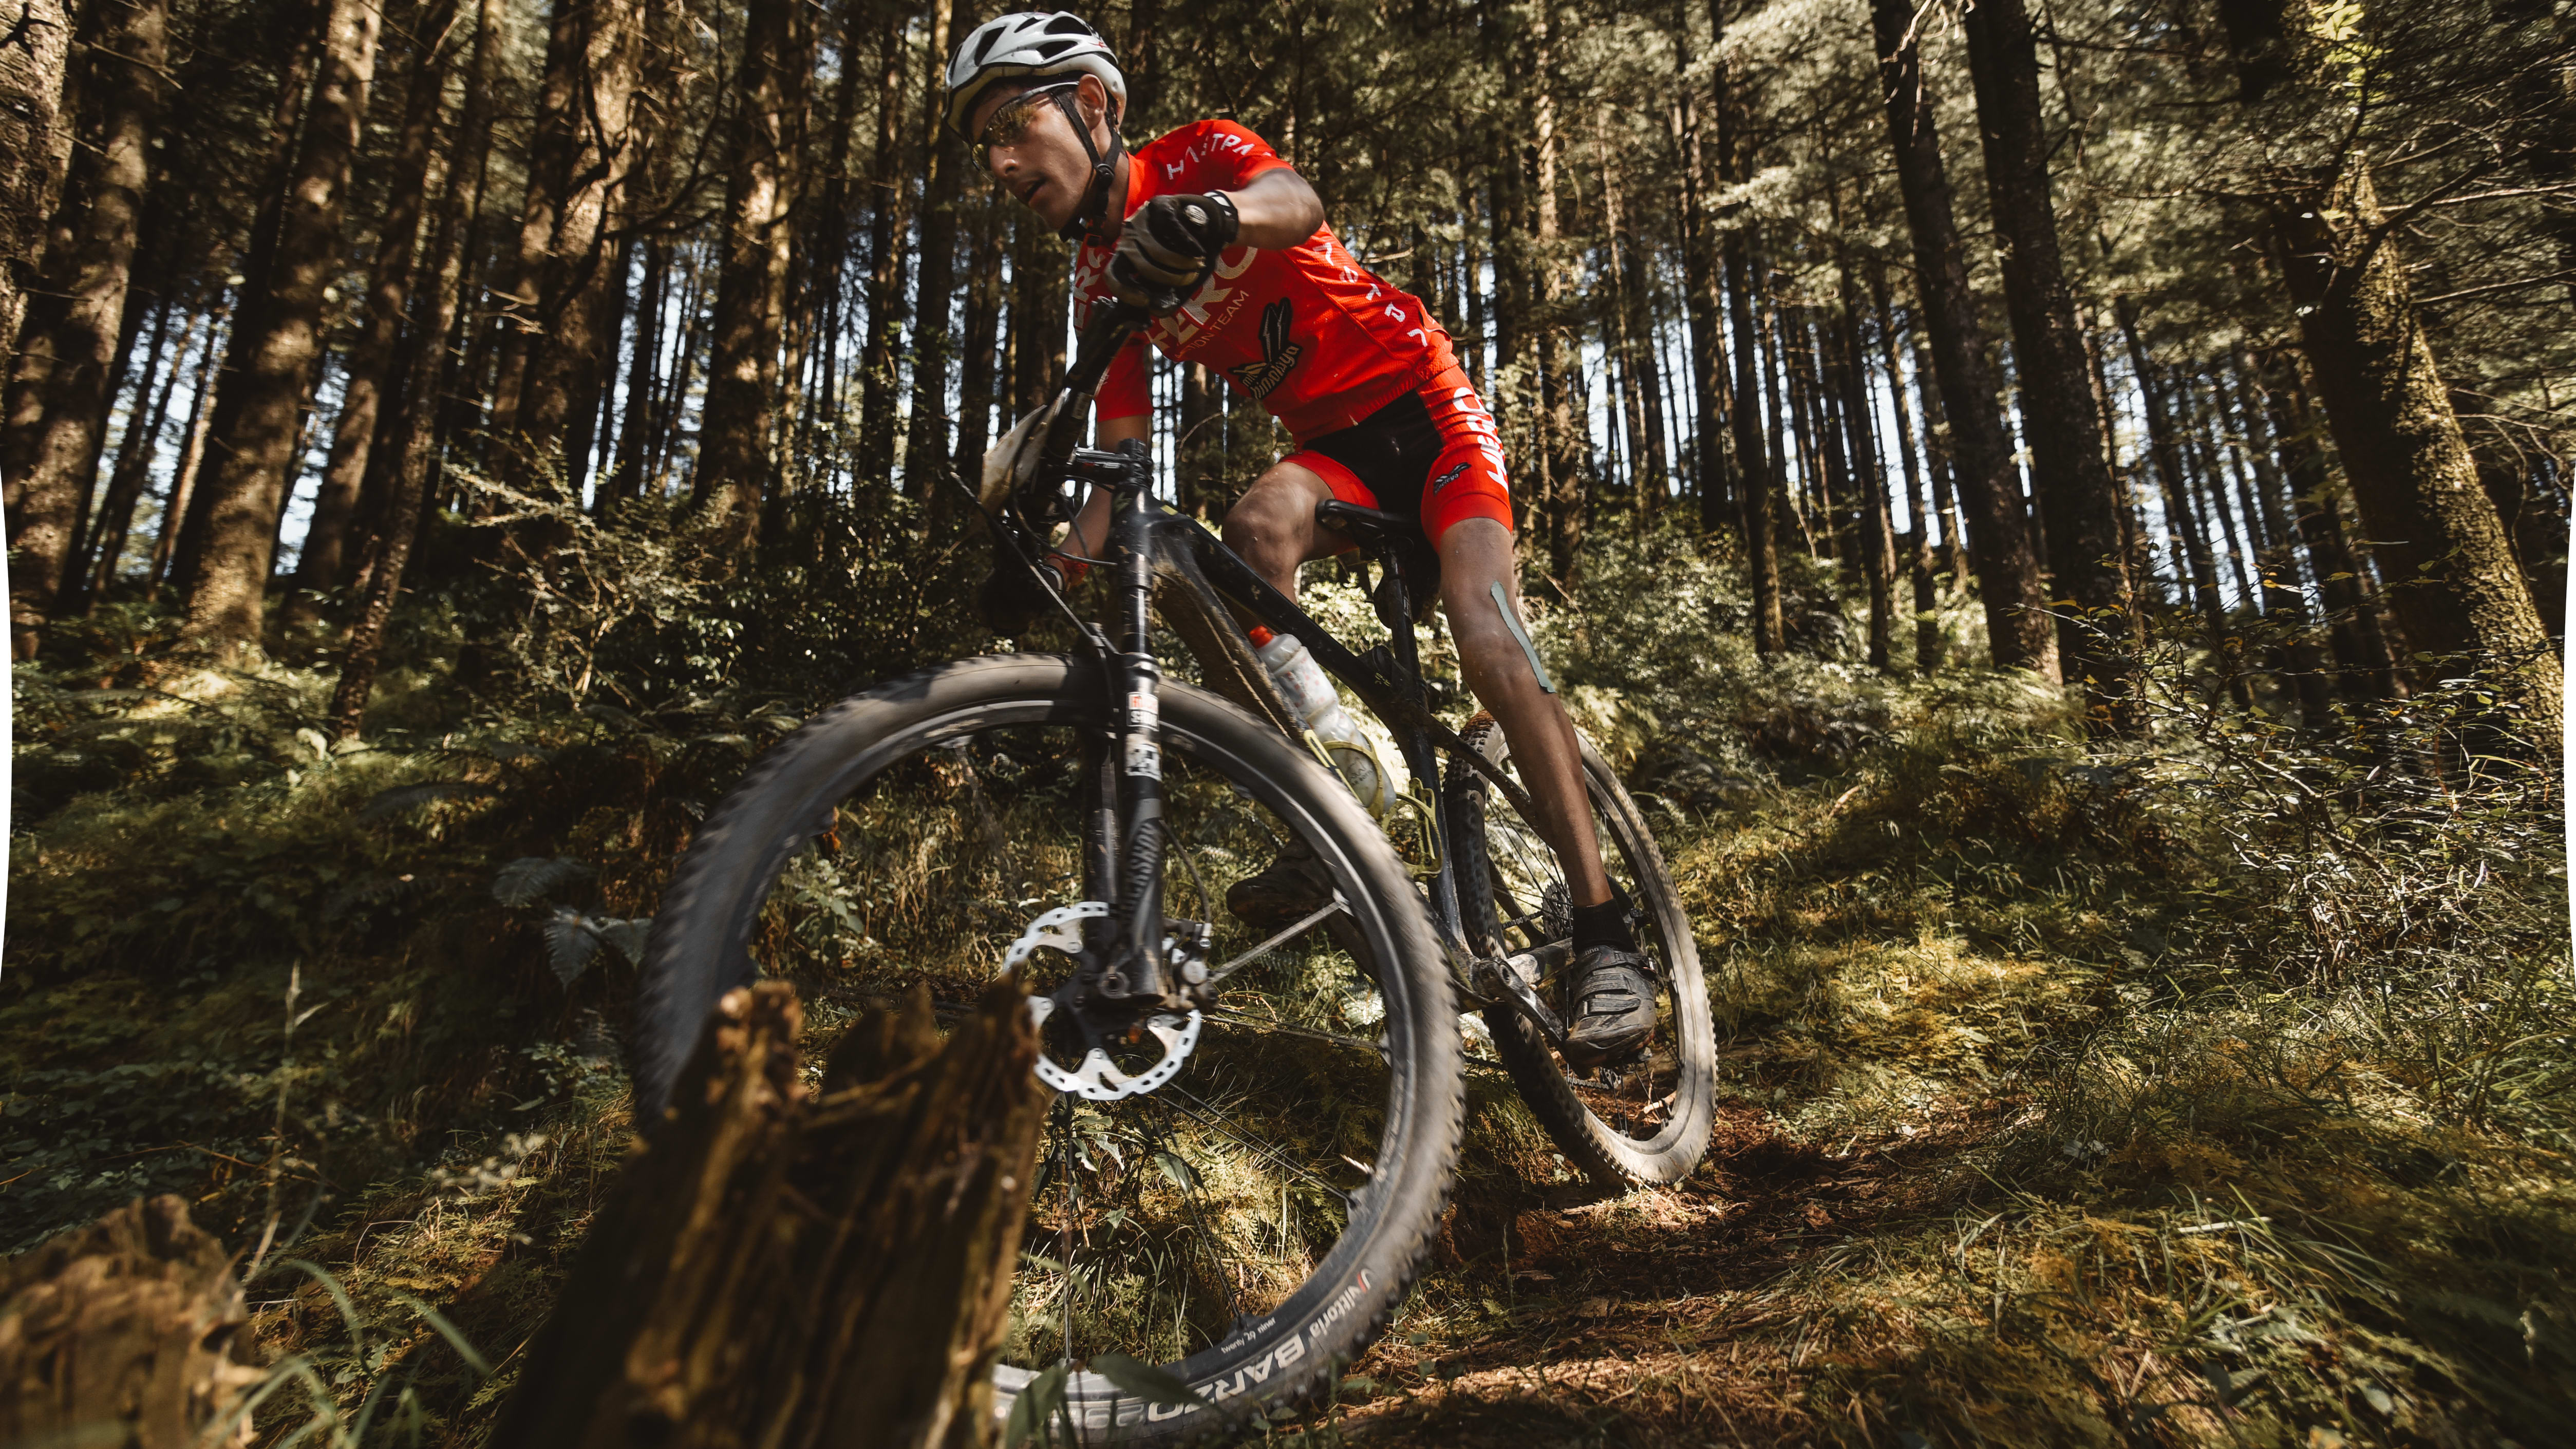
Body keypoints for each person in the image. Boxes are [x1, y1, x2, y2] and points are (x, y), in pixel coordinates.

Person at [947, 12, 1654, 1065]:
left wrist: (1212, 214)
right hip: (1336, 451)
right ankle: (1335, 784)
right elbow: (1117, 468)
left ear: (1092, 105)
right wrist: (1040, 569)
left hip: (1429, 414)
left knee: (1488, 633)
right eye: (981, 145)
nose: (1000, 160)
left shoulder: (1201, 156)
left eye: (1013, 119)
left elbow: (1297, 204)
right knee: (1249, 533)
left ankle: (1606, 933)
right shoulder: (1105, 283)